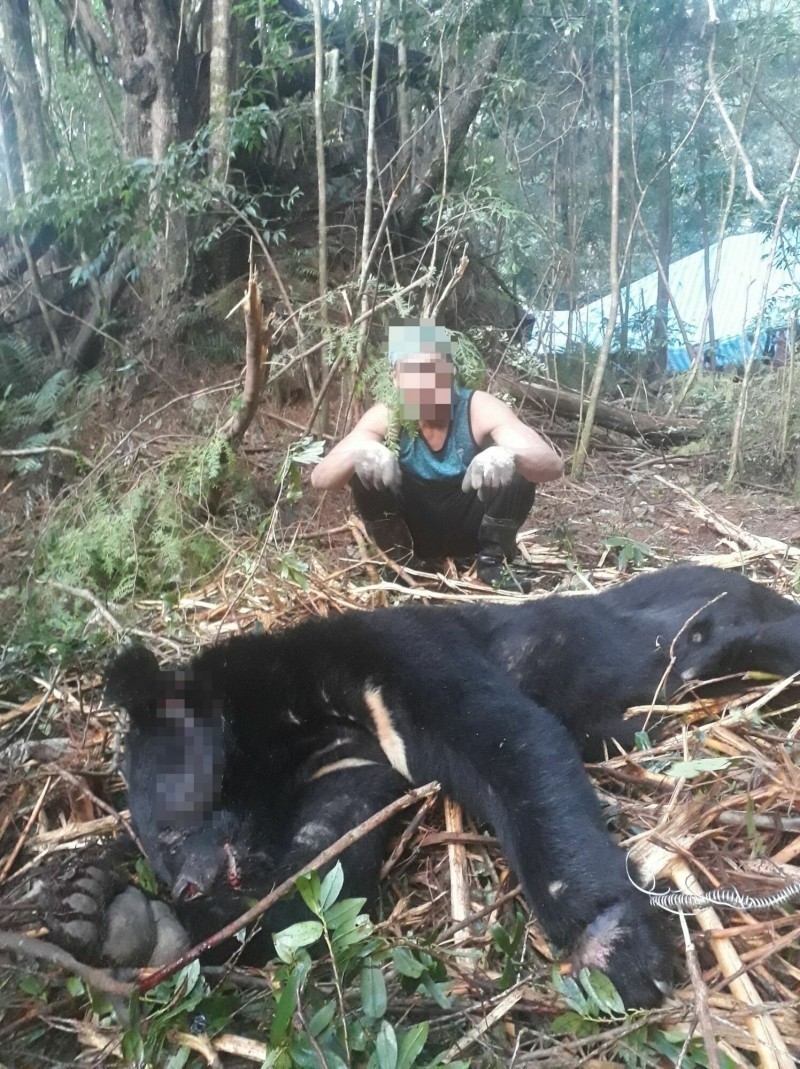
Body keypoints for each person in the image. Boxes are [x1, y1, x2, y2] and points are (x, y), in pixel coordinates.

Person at [311, 321, 563, 589]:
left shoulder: (477, 408)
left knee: (514, 465)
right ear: (395, 379)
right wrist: (364, 452)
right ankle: (400, 565)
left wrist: (508, 456)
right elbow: (321, 476)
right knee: (363, 468)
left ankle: (493, 565)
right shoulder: (388, 416)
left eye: (434, 368)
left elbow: (552, 464)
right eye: (412, 371)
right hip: (414, 534)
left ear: (450, 372)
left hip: (471, 531)